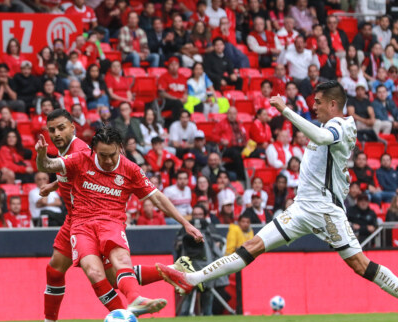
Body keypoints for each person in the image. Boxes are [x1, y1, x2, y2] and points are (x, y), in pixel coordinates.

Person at [156, 81, 398, 307]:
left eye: (318, 102)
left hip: (325, 209)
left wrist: (285, 110)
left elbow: (322, 137)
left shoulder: (340, 125)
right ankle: (193, 279)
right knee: (252, 246)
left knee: (360, 265)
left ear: (333, 104)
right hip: (302, 208)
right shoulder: (329, 126)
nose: (313, 107)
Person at [34, 124, 204, 322]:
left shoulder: (130, 169)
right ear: (94, 150)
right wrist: (42, 155)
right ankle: (151, 290)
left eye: (112, 155)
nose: (107, 160)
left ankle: (135, 300)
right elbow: (48, 166)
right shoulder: (81, 158)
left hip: (112, 223)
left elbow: (157, 197)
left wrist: (185, 223)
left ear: (120, 148)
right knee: (94, 271)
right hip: (82, 225)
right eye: (102, 155)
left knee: (121, 260)